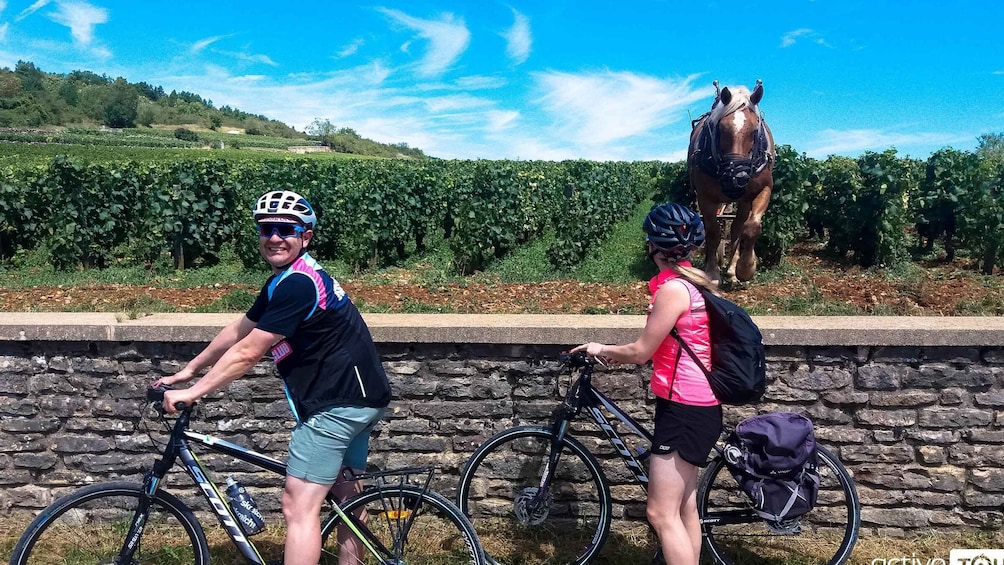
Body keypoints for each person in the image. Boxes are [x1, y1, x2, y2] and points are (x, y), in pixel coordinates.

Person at [154, 190, 392, 565]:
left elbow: (249, 352)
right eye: (267, 229)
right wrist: (189, 369)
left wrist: (193, 393)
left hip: (337, 405)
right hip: (360, 398)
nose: (275, 237)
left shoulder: (298, 284)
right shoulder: (287, 278)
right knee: (348, 496)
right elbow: (240, 330)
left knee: (298, 505)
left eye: (286, 229)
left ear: (306, 236)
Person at [571, 202, 722, 565]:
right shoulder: (694, 281)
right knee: (685, 508)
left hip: (684, 409)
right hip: (698, 406)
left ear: (653, 246)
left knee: (659, 514)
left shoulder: (673, 290)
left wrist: (599, 348)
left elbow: (641, 352)